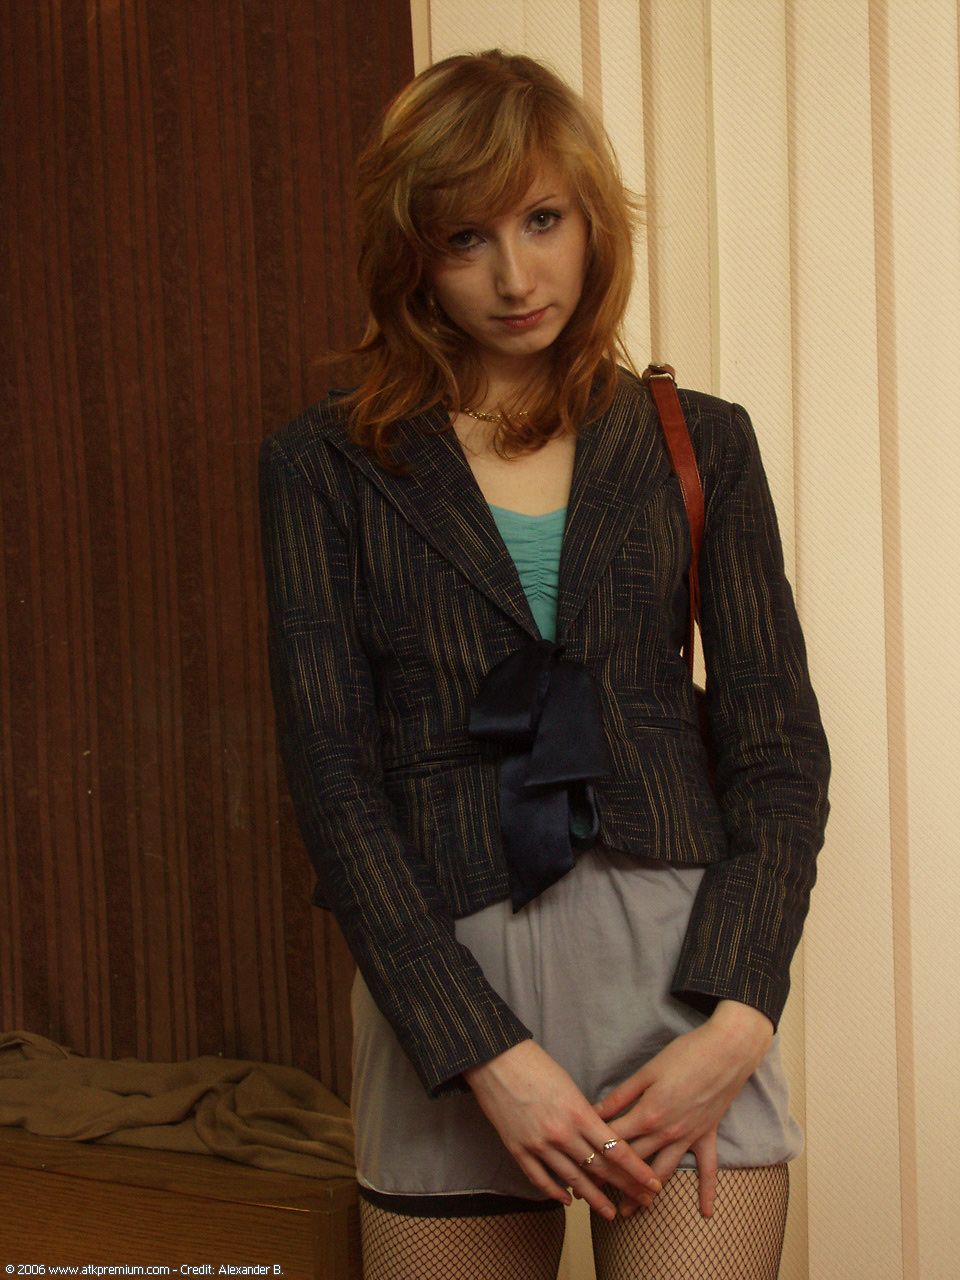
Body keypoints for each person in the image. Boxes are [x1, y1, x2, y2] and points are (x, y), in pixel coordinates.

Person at [259, 49, 829, 1280]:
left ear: (592, 222)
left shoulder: (701, 442)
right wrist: (480, 1050)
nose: (516, 277)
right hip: (446, 1009)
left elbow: (779, 752)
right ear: (413, 254)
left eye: (543, 220)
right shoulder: (322, 464)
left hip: (683, 999)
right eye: (465, 238)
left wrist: (740, 1018)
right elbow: (334, 778)